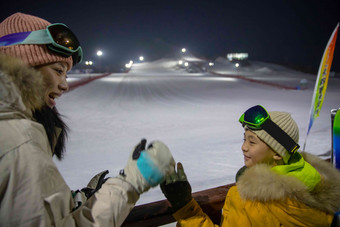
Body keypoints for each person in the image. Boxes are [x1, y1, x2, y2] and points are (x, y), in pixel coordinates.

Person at [0, 12, 176, 226]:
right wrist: (131, 183)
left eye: (66, 74)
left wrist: (80, 200)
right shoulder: (18, 142)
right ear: (21, 65)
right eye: (58, 71)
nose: (64, 85)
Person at [161, 105, 340, 226]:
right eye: (244, 139)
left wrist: (186, 209)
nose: (243, 147)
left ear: (278, 153)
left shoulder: (253, 204)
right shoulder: (312, 184)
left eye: (252, 142)